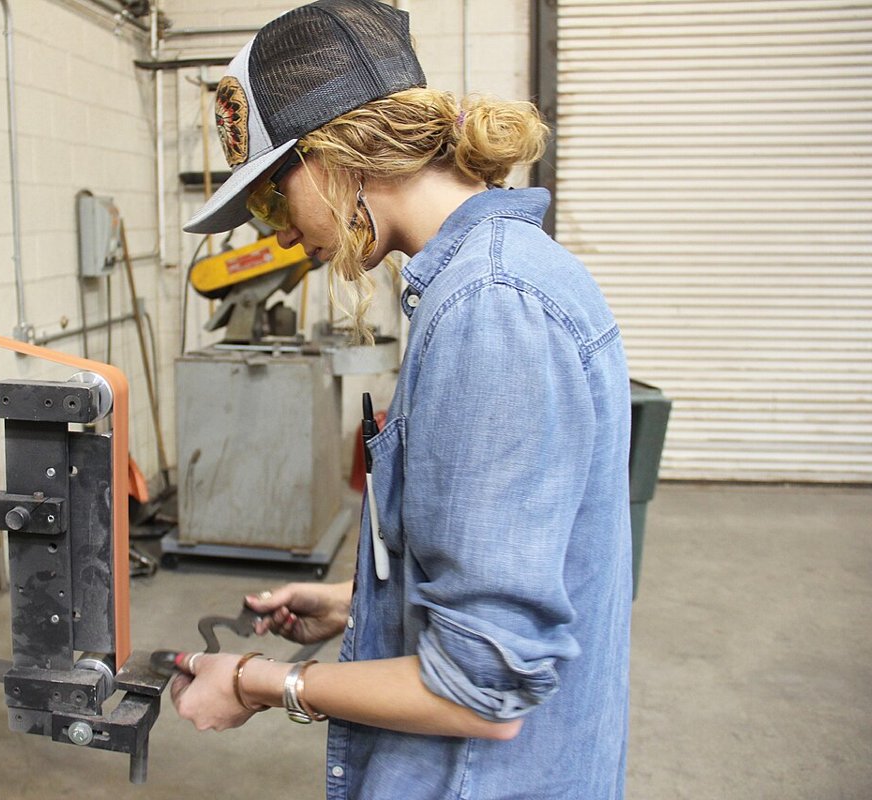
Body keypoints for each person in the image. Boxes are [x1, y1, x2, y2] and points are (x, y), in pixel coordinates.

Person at [172, 1, 633, 797]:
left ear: (332, 155)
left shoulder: (491, 306)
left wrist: (259, 681)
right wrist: (364, 602)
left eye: (276, 200)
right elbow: (511, 555)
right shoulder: (488, 278)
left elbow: (482, 687)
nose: (282, 235)